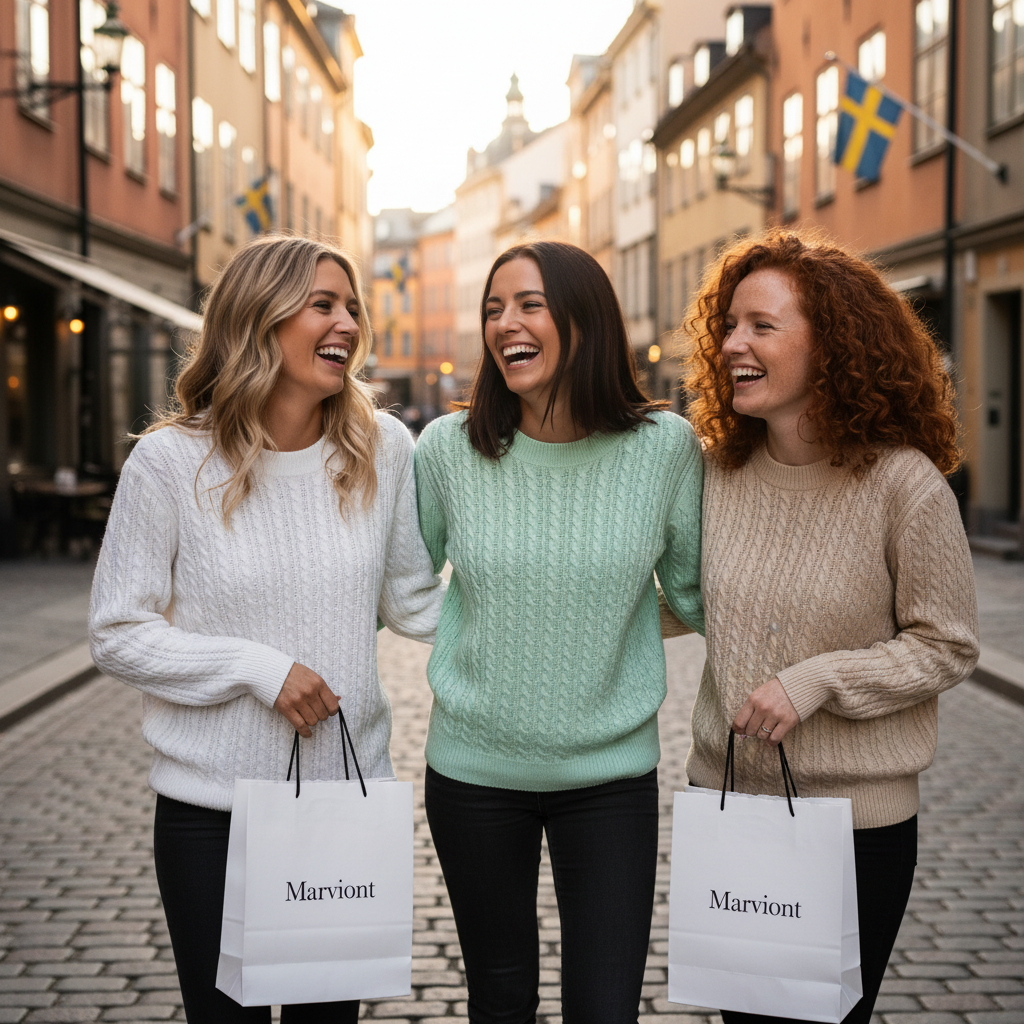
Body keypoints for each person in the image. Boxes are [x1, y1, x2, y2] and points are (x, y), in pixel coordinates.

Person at [89, 234, 444, 1024]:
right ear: (259, 317)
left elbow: (417, 602)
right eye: (323, 303)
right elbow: (116, 631)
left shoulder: (382, 448)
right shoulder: (169, 464)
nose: (346, 321)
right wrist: (260, 667)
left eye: (352, 306)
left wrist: (581, 614)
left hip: (339, 804)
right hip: (210, 815)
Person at [671, 229, 979, 1024]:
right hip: (733, 802)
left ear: (833, 347)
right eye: (730, 325)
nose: (734, 342)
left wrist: (815, 681)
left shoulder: (902, 485)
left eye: (762, 326)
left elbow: (947, 642)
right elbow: (676, 601)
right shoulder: (714, 473)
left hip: (855, 827)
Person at [413, 241, 705, 1024]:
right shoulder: (447, 450)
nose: (505, 322)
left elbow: (695, 592)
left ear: (586, 320)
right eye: (493, 309)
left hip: (610, 779)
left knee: (606, 1010)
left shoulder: (666, 449)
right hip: (473, 774)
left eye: (529, 304)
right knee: (500, 999)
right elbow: (398, 586)